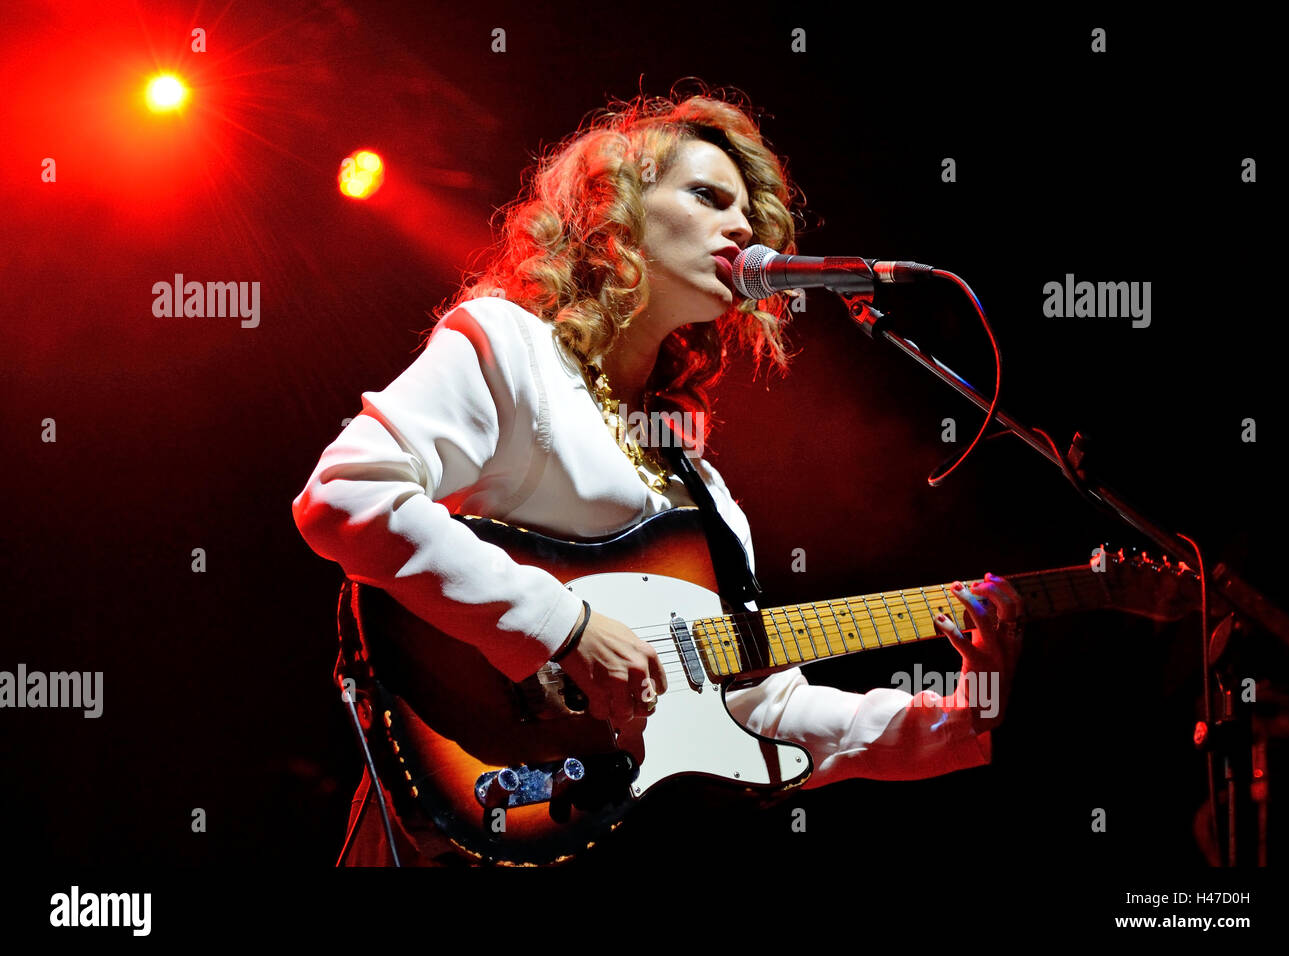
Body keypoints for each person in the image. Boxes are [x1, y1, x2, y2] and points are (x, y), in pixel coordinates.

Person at [291, 88, 1025, 866]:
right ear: (618, 213)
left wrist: (966, 708)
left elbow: (765, 710)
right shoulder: (510, 346)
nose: (741, 229)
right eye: (708, 196)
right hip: (465, 804)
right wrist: (561, 627)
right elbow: (346, 495)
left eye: (748, 214)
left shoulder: (704, 496)